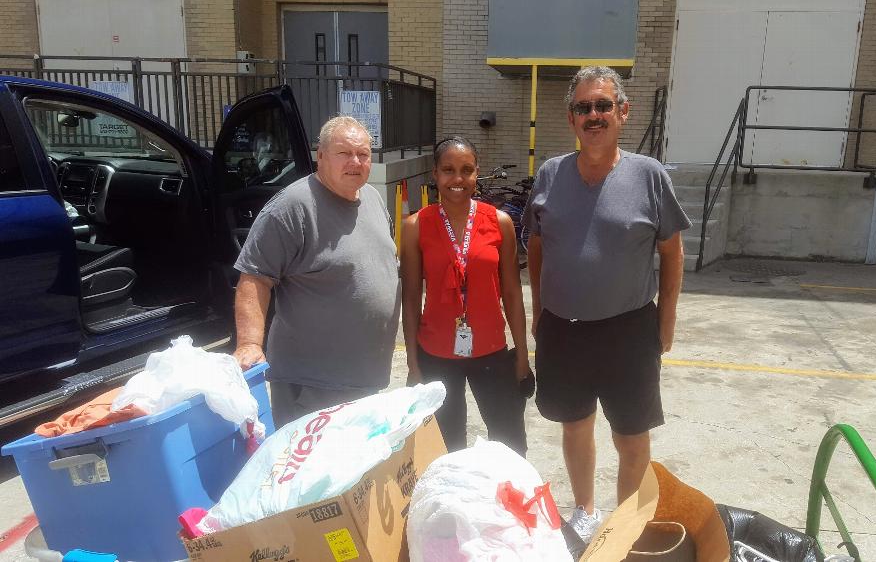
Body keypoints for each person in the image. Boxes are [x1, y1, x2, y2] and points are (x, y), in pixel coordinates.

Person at [524, 66, 691, 542]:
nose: (593, 115)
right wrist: (539, 311)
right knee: (575, 425)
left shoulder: (649, 176)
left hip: (629, 329)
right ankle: (585, 512)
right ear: (571, 118)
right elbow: (536, 244)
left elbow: (671, 252)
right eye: (583, 107)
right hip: (564, 328)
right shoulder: (551, 175)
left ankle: (629, 522)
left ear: (622, 112)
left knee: (631, 435)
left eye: (602, 105)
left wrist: (667, 323)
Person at [232, 116, 400, 429]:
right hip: (312, 387)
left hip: (366, 379)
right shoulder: (291, 208)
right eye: (344, 153)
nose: (355, 162)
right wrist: (250, 343)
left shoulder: (373, 198)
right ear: (320, 156)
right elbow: (254, 278)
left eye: (363, 154)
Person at [400, 136, 531, 456]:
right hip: (437, 354)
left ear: (477, 174)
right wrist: (413, 364)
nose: (457, 179)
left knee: (510, 444)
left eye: (466, 170)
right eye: (448, 170)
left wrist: (523, 358)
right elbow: (411, 296)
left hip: (491, 351)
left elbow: (513, 294)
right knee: (446, 448)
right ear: (435, 174)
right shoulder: (416, 226)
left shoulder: (499, 223)